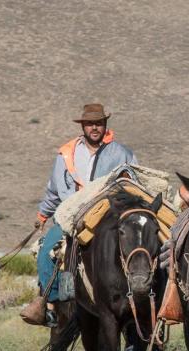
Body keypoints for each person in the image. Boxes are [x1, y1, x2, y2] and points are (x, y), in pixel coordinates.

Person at [33, 103, 137, 326]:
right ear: (83, 126)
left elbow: (134, 184)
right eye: (90, 124)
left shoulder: (122, 153)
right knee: (45, 253)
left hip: (108, 216)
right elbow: (54, 189)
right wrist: (42, 215)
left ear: (105, 125)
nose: (94, 128)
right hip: (70, 216)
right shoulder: (66, 154)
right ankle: (53, 305)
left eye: (98, 123)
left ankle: (143, 301)